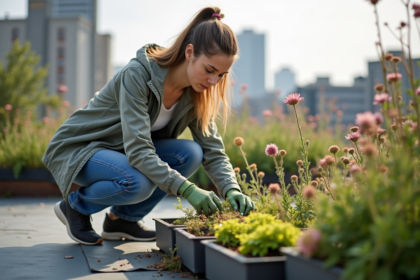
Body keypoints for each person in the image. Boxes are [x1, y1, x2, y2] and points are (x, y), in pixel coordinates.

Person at [42, 6, 255, 246]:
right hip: (82, 149)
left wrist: (231, 189)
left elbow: (212, 149)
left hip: (121, 152)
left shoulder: (197, 93)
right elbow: (139, 150)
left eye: (222, 75)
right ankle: (75, 207)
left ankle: (122, 220)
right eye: (209, 70)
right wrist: (187, 190)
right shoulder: (138, 74)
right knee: (136, 183)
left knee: (191, 153)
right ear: (189, 52)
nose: (214, 81)